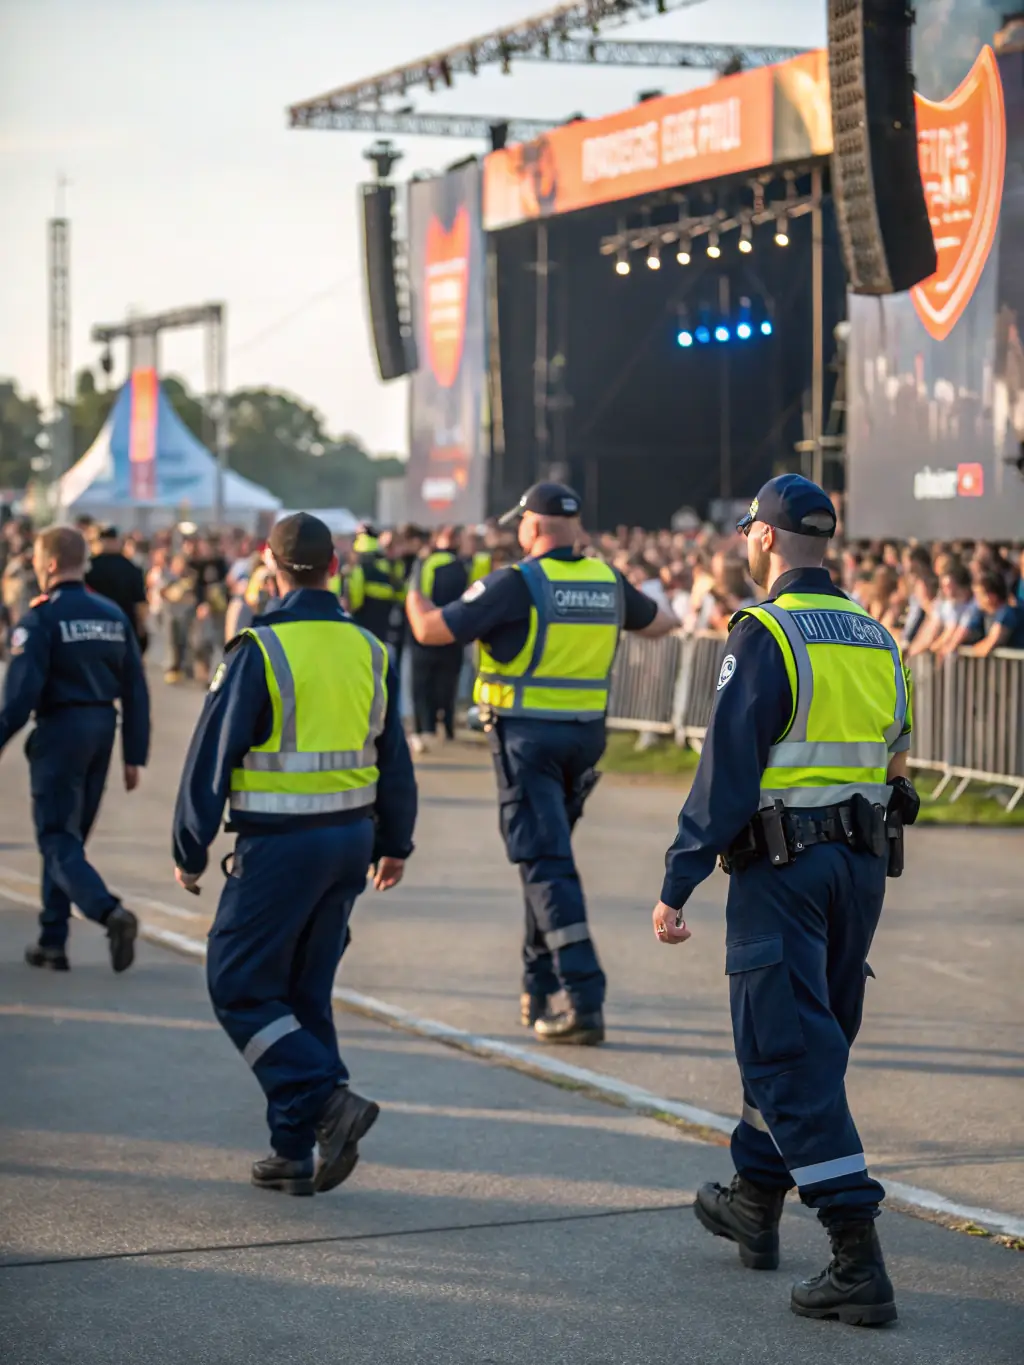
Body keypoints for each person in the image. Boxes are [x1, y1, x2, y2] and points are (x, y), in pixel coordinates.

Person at [651, 475, 916, 1327]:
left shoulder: (763, 631)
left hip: (783, 869)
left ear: (763, 539)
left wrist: (678, 877)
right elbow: (899, 759)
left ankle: (854, 1253)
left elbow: (727, 768)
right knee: (805, 1036)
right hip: (861, 868)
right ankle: (755, 1200)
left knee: (788, 1050)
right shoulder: (876, 634)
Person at [172, 512, 417, 1196]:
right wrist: (395, 841)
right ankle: (294, 1150)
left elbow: (210, 756)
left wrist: (190, 846)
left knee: (238, 983)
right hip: (350, 843)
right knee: (304, 992)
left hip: (281, 844)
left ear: (269, 566)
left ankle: (325, 1100)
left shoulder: (258, 646)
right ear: (335, 566)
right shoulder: (369, 648)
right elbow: (391, 756)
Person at [406, 482, 676, 1046]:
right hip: (584, 741)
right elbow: (661, 623)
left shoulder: (518, 582)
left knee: (545, 864)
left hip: (527, 742)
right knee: (545, 860)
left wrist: (416, 585)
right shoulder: (605, 581)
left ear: (531, 527)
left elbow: (431, 630)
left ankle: (583, 999)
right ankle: (536, 987)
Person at [0, 526, 149, 972]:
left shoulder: (41, 619)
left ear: (47, 565)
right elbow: (137, 689)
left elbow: (20, 697)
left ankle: (109, 912)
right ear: (82, 561)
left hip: (60, 731)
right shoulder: (111, 616)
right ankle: (52, 940)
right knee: (68, 841)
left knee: (55, 837)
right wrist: (134, 754)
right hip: (103, 729)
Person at [408, 528, 468, 753]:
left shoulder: (426, 563)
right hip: (454, 632)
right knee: (448, 685)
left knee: (422, 685)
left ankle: (425, 728)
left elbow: (417, 595)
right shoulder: (464, 565)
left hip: (426, 632)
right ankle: (449, 727)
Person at [85, 524, 149, 652]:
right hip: (124, 627)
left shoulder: (87, 567)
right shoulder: (131, 568)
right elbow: (140, 604)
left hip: (93, 628)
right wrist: (141, 629)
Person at [964, 571, 1024, 656]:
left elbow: (990, 644)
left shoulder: (1007, 613)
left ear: (992, 596)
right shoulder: (984, 615)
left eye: (979, 595)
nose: (976, 600)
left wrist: (970, 652)